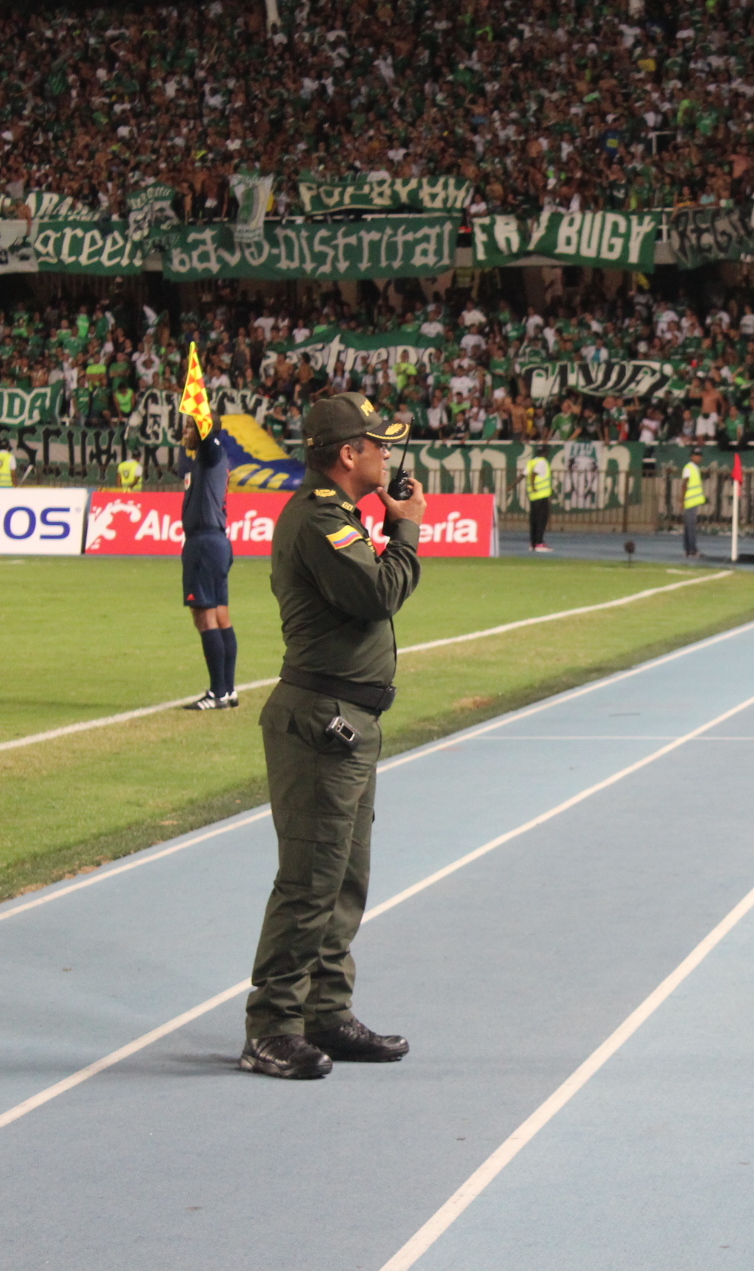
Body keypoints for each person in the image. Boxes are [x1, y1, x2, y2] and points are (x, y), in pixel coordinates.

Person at [240, 392, 422, 1081]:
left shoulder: (339, 514)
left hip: (346, 721)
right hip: (324, 722)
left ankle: (325, 1012)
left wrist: (384, 519)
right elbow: (377, 595)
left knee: (345, 879)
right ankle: (273, 1027)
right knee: (311, 881)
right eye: (379, 444)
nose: (387, 454)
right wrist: (406, 529)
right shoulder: (321, 520)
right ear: (349, 455)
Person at [180, 415, 238, 711]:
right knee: (221, 616)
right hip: (215, 541)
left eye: (189, 427)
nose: (184, 432)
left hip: (204, 543)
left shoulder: (211, 449)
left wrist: (199, 418)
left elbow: (203, 435)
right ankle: (227, 690)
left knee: (204, 618)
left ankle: (217, 692)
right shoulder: (205, 459)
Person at [679, 447, 707, 559]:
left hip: (692, 501)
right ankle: (691, 550)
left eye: (699, 455)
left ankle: (688, 549)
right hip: (690, 501)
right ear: (692, 456)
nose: (698, 457)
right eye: (696, 455)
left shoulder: (694, 468)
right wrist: (682, 500)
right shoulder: (689, 468)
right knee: (690, 527)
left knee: (688, 526)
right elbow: (684, 484)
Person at [526, 444, 554, 553]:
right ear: (545, 453)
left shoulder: (532, 462)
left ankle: (533, 543)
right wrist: (533, 487)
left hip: (533, 497)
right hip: (540, 495)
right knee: (541, 520)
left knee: (534, 520)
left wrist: (512, 485)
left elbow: (524, 474)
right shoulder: (542, 462)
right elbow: (533, 474)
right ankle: (539, 543)